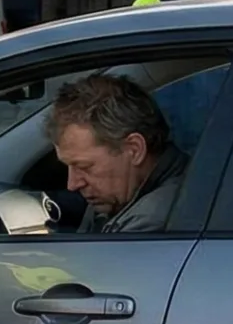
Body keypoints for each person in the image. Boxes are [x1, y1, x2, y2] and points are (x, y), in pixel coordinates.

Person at [47, 74, 188, 234]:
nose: (72, 184)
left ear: (134, 149)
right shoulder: (118, 197)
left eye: (84, 167)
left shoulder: (151, 225)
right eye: (69, 167)